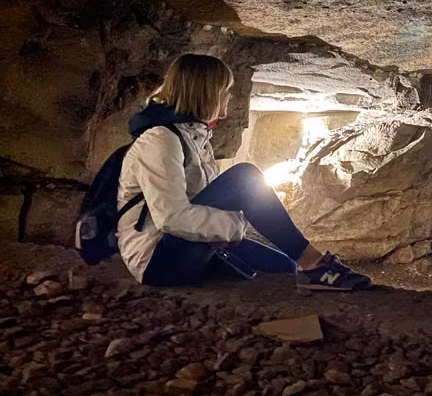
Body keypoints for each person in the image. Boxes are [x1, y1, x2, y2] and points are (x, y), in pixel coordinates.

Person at [116, 53, 371, 291]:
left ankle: (305, 265)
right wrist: (235, 225)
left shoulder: (194, 136)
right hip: (156, 258)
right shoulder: (161, 139)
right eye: (225, 90)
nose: (229, 96)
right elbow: (172, 218)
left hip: (191, 245)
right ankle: (314, 263)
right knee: (245, 177)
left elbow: (199, 202)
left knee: (284, 268)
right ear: (208, 93)